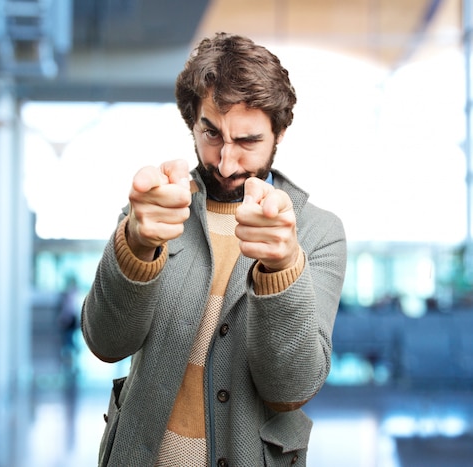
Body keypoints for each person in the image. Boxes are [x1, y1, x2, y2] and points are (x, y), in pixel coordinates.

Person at [82, 32, 347, 467]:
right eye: (211, 133)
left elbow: (291, 389)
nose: (226, 162)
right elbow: (106, 342)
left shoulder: (319, 232)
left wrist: (282, 268)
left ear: (278, 133)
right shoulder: (156, 208)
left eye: (247, 142)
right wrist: (135, 244)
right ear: (192, 122)